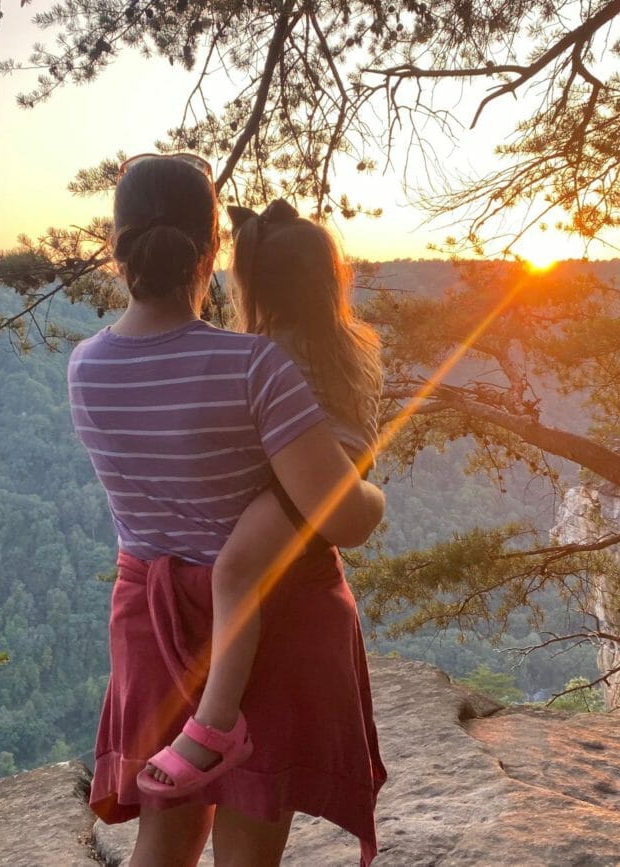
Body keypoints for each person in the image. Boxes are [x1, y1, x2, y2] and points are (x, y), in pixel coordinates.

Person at [68, 152, 386, 867]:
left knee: (168, 832)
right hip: (269, 620)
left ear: (118, 250)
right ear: (211, 250)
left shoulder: (85, 366)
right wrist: (372, 485)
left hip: (150, 618)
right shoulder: (254, 367)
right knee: (250, 836)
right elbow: (347, 519)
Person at [138, 199, 384, 812]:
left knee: (237, 569)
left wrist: (364, 502)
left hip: (302, 484)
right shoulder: (348, 341)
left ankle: (215, 726)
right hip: (328, 469)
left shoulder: (265, 353)